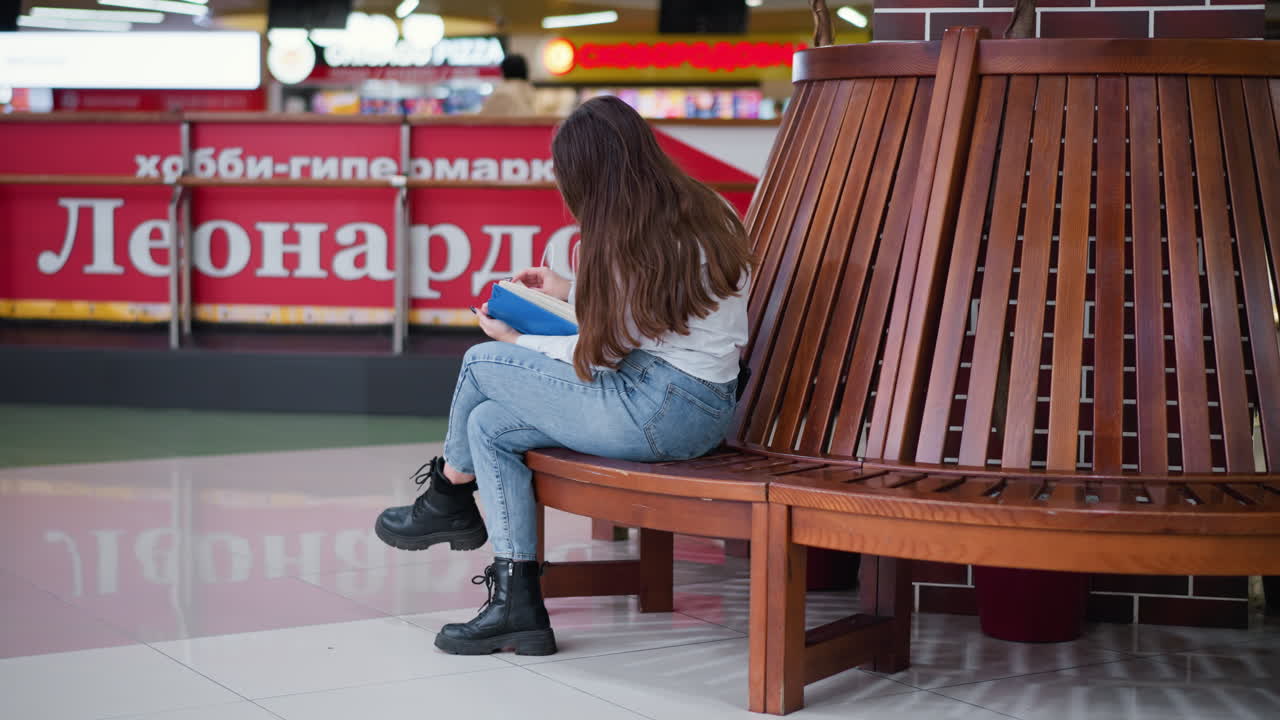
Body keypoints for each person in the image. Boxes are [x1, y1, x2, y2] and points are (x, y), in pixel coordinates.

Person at [374, 95, 754, 657]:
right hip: (703, 406)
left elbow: (600, 356)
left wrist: (516, 340)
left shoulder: (620, 235)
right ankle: (516, 604)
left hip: (654, 410)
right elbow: (657, 320)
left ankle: (448, 494)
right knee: (489, 425)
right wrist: (569, 291)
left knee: (481, 361)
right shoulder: (703, 207)